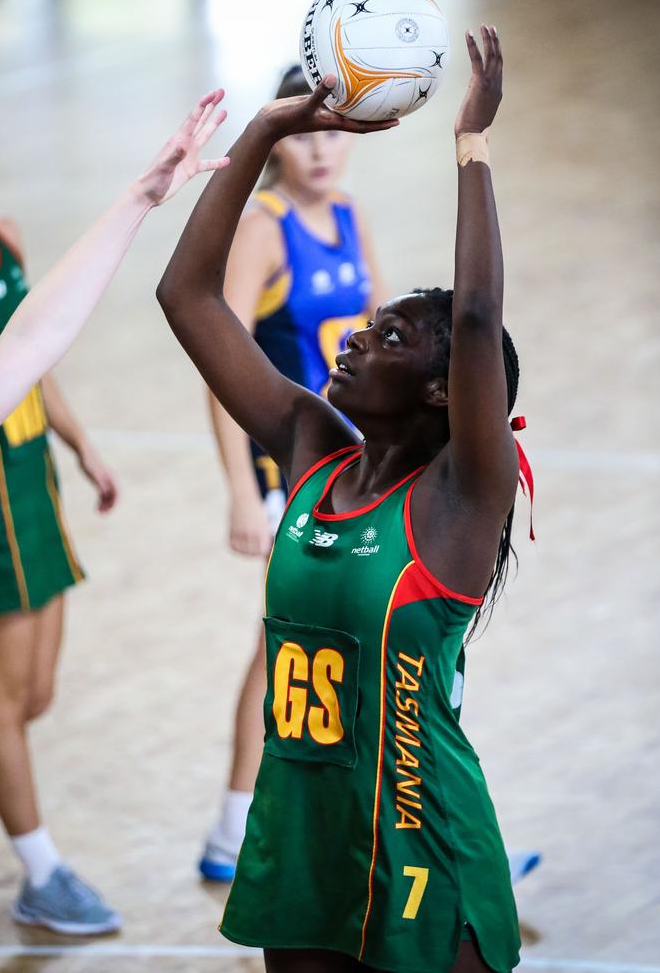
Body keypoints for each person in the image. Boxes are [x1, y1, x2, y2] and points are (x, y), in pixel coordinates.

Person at [157, 25, 520, 973]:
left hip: (421, 839)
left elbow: (478, 317)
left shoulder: (459, 502)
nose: (359, 334)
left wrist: (470, 147)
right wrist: (264, 133)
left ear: (444, 390)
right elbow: (188, 298)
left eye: (391, 338)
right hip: (303, 834)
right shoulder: (313, 446)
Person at [0, 90, 228, 933]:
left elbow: (30, 346)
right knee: (3, 700)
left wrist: (143, 195)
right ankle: (40, 870)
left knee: (28, 694)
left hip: (24, 475)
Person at [201, 64, 388, 881]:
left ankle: (360, 822)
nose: (319, 152)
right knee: (284, 644)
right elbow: (221, 360)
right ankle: (233, 827)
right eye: (304, 134)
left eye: (331, 135)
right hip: (292, 475)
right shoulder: (263, 228)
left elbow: (382, 342)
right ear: (280, 141)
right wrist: (244, 490)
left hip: (356, 470)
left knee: (342, 641)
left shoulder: (349, 216)